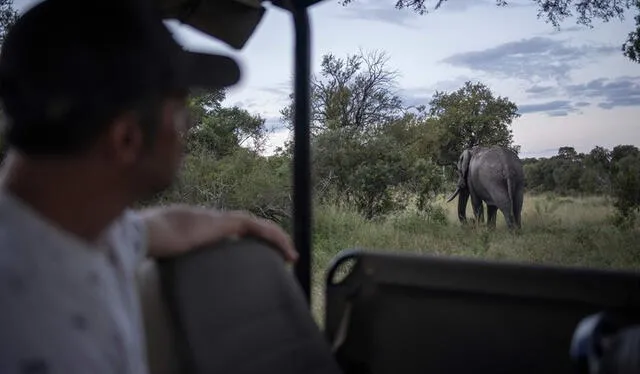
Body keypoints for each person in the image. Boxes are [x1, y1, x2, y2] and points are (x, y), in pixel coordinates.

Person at [0, 0, 298, 373]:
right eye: (180, 113)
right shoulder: (36, 335)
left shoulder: (84, 229)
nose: (187, 126)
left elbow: (160, 226)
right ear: (126, 138)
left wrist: (236, 221)